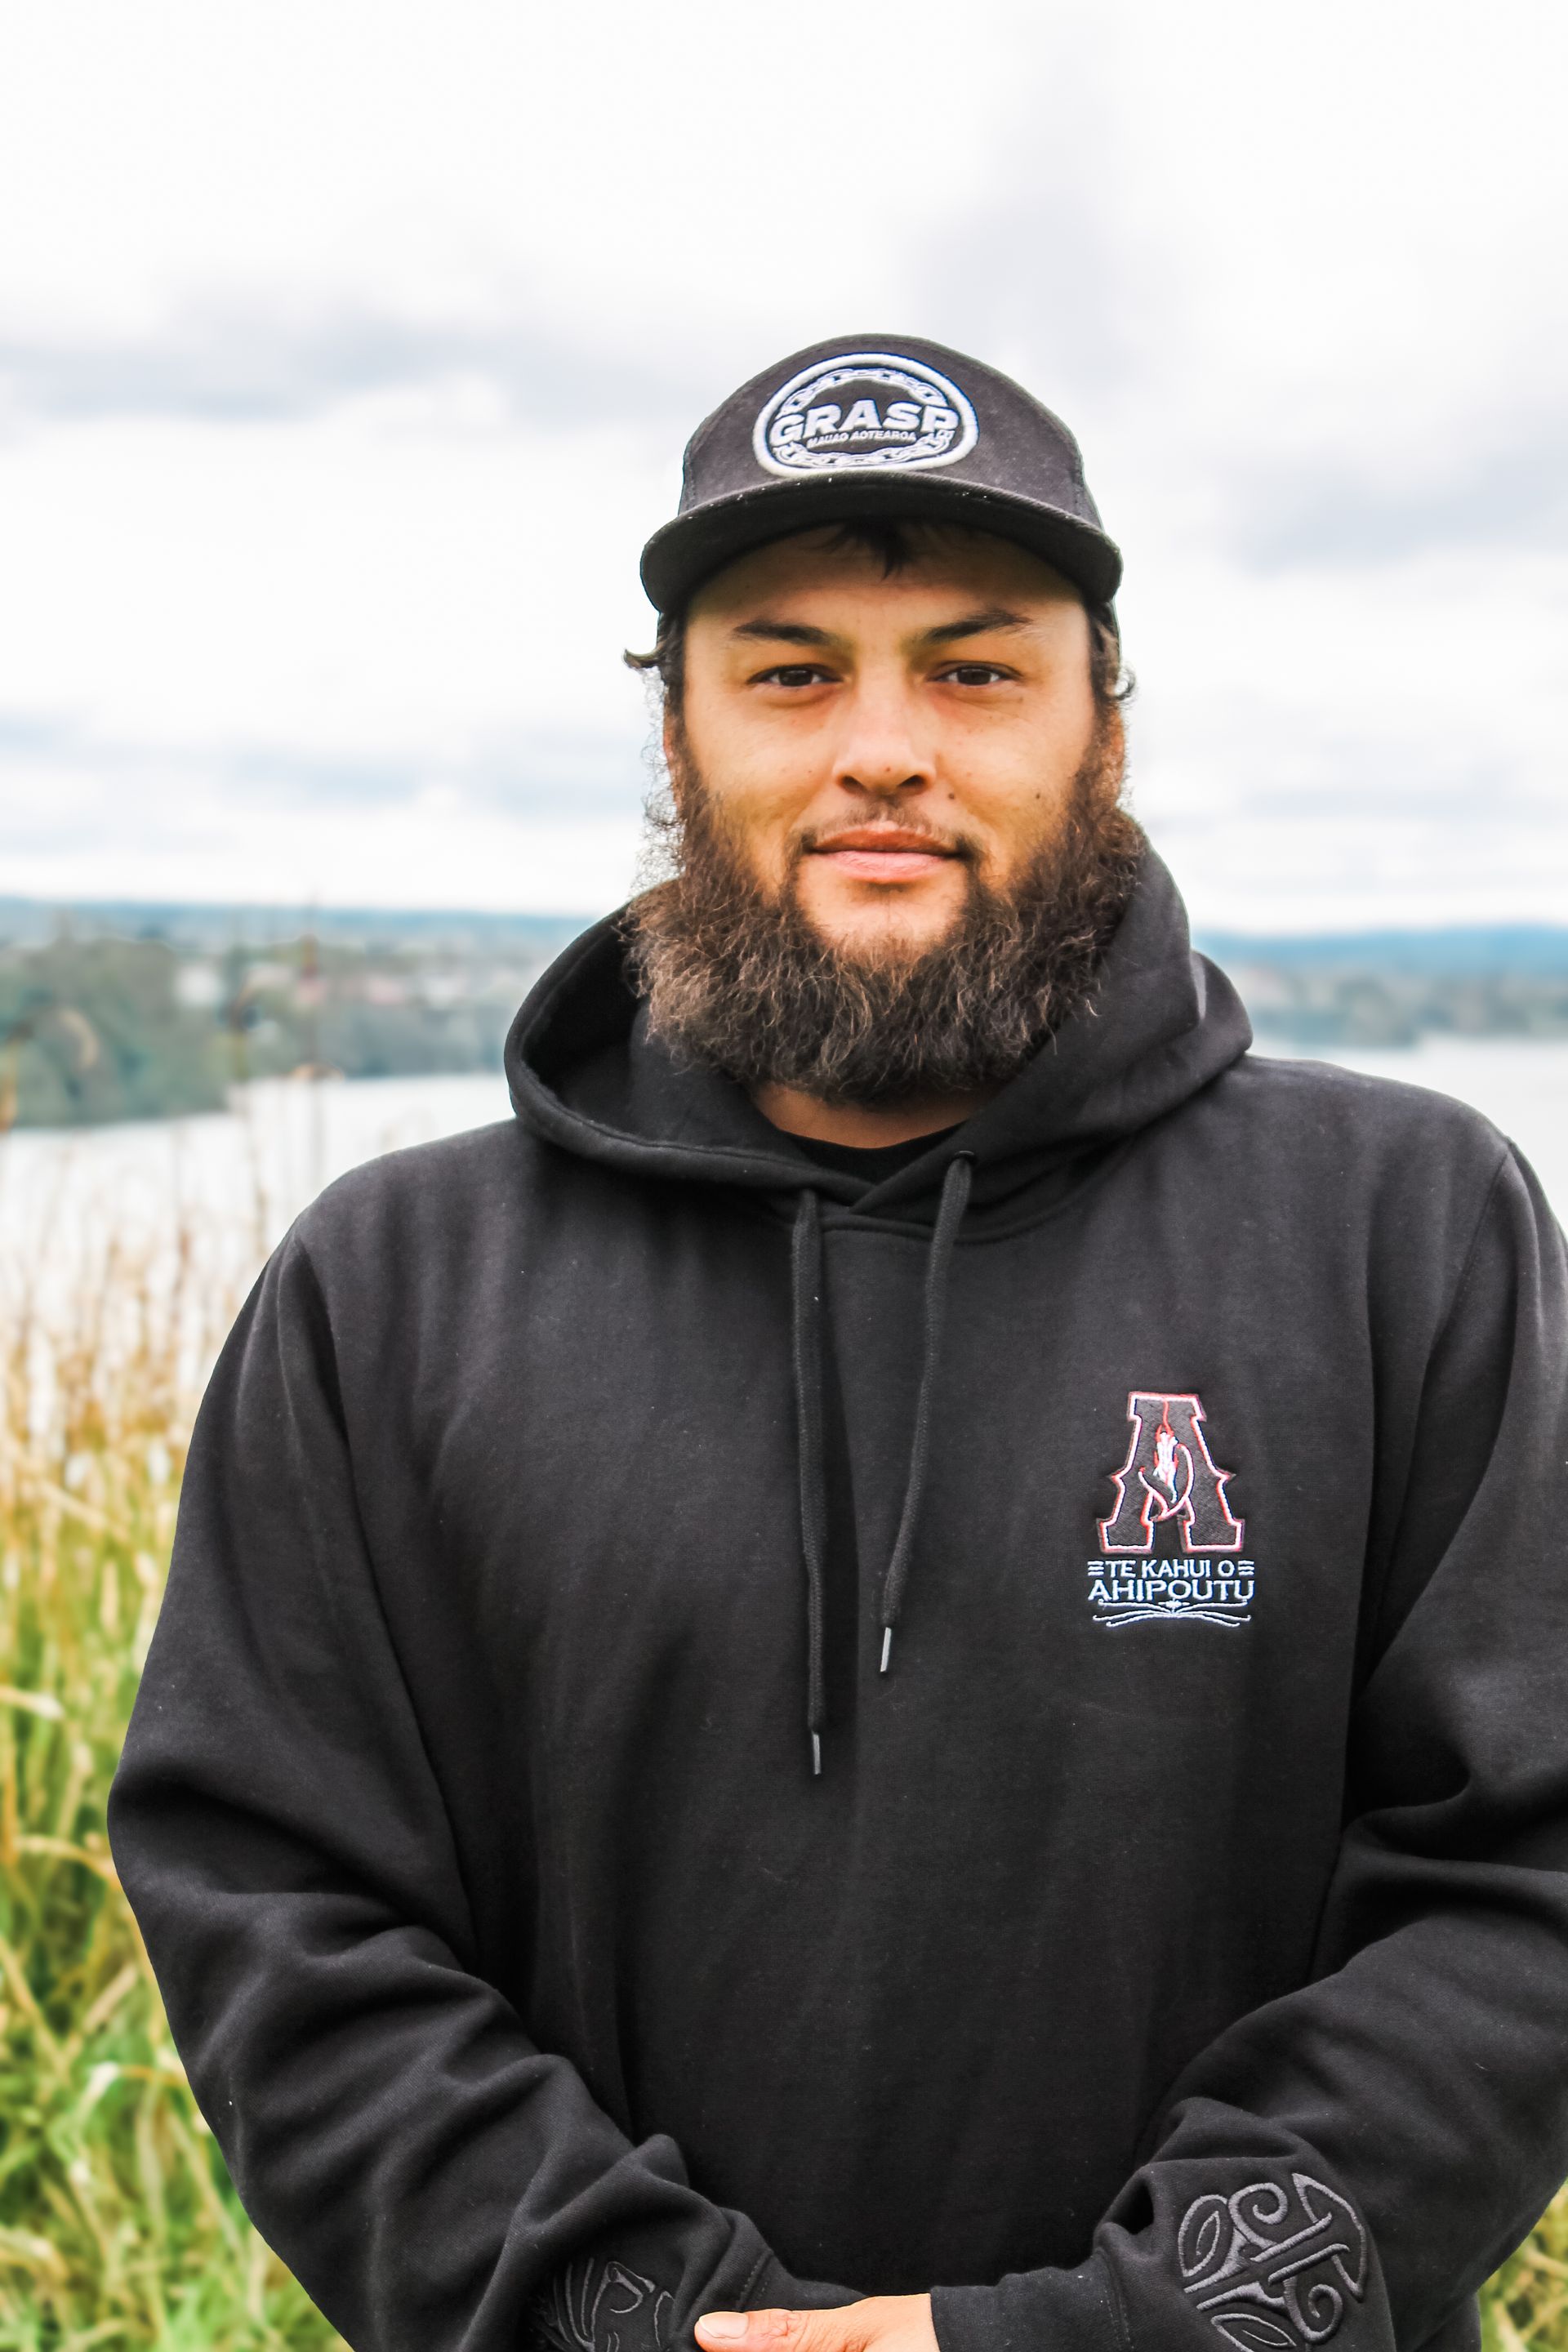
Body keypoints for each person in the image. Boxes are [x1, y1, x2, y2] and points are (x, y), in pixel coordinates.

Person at [109, 335, 1568, 2352]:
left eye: (976, 669)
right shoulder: (392, 1292)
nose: (884, 746)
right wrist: (645, 2325)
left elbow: (1523, 1880)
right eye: (792, 671)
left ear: (1104, 727)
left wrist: (1114, 2333)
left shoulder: (1410, 1230)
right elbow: (278, 1904)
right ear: (683, 736)